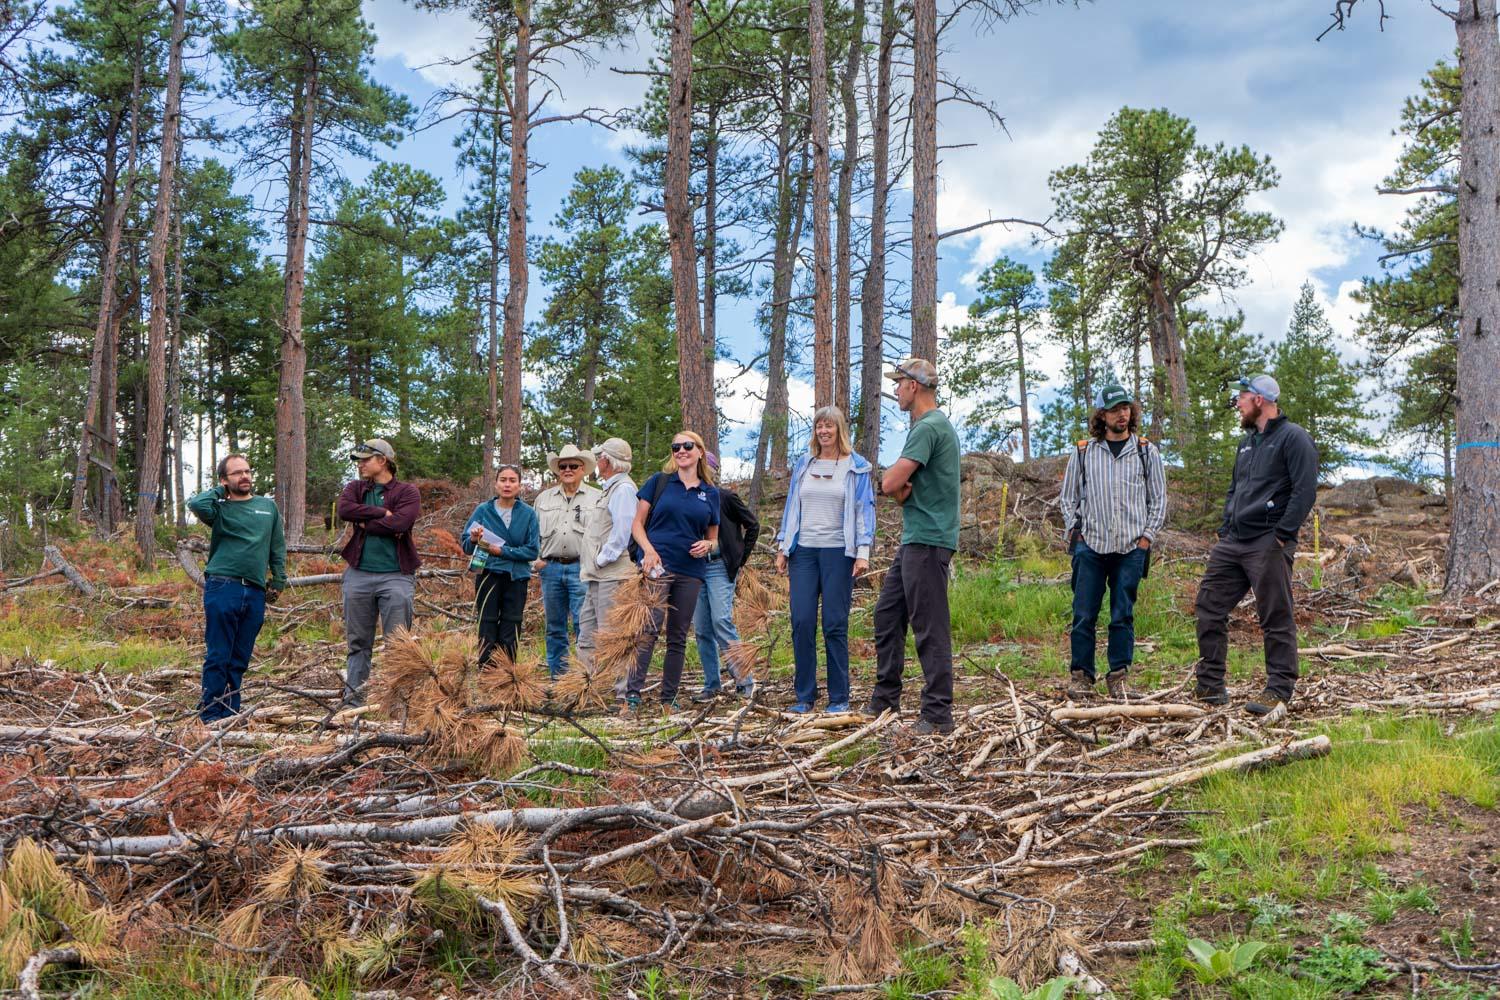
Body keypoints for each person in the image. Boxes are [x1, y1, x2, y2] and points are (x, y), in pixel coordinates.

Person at [1193, 373, 1319, 716]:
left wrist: (1281, 535)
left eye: (1242, 397)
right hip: (1233, 540)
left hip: (1268, 541)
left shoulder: (1294, 439)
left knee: (1275, 615)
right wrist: (1225, 526)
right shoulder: (1247, 443)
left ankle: (1278, 689)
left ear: (1259, 400)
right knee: (1209, 606)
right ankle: (1210, 684)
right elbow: (1236, 488)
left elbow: (1304, 491)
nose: (1238, 403)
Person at [866, 358, 962, 735]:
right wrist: (898, 485)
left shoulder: (928, 427)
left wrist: (890, 482)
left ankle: (938, 715)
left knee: (929, 627)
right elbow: (904, 491)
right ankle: (885, 701)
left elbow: (892, 485)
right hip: (915, 540)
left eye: (899, 384)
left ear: (915, 386)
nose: (896, 391)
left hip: (928, 540)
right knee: (887, 616)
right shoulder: (932, 427)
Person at [1057, 385, 1167, 701]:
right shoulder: (1083, 452)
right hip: (1090, 546)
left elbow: (1158, 499)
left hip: (1131, 548)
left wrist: (1147, 538)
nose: (1122, 414)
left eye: (1126, 408)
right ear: (1102, 415)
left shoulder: (1147, 452)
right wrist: (1075, 534)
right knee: (1083, 615)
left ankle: (1118, 677)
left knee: (1122, 615)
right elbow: (1068, 498)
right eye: (1115, 408)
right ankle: (1081, 677)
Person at [775, 406, 876, 714]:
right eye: (819, 426)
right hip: (804, 551)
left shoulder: (856, 466)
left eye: (829, 426)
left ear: (840, 430)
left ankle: (839, 697)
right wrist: (783, 546)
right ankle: (804, 696)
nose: (824, 431)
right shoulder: (804, 464)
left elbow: (864, 510)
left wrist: (862, 552)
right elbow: (792, 506)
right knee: (802, 621)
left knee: (834, 623)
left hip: (838, 553)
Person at [623, 431, 720, 713]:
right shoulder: (660, 482)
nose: (681, 450)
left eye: (687, 446)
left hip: (691, 570)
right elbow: (637, 525)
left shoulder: (710, 493)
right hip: (657, 566)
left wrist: (708, 545)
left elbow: (714, 538)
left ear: (700, 451)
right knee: (648, 629)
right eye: (675, 446)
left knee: (677, 635)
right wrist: (649, 551)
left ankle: (669, 698)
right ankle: (632, 695)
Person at [187, 455, 287, 723]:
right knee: (219, 654)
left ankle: (230, 713)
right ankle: (210, 715)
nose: (245, 476)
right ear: (224, 480)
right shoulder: (218, 508)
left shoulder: (268, 507)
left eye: (247, 471)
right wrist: (222, 491)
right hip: (223, 586)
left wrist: (278, 580)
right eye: (236, 473)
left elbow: (277, 547)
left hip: (255, 591)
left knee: (240, 657)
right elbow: (196, 503)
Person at [336, 439, 422, 706]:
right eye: (359, 460)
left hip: (396, 575)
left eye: (365, 459)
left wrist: (365, 522)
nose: (360, 464)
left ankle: (397, 704)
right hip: (358, 574)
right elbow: (344, 510)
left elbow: (402, 522)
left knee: (398, 643)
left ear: (382, 461)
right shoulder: (355, 488)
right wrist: (381, 514)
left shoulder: (408, 492)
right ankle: (354, 702)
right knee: (358, 642)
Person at [690, 452, 760, 702]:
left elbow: (753, 525)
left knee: (721, 620)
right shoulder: (688, 499)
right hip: (696, 568)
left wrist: (739, 558)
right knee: (701, 628)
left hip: (720, 566)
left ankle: (745, 681)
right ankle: (712, 685)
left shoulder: (725, 497)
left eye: (704, 469)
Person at [532, 444, 600, 678]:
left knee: (585, 626)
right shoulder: (543, 499)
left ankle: (585, 678)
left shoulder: (597, 497)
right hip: (550, 569)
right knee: (555, 627)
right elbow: (532, 534)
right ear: (557, 470)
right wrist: (536, 560)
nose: (568, 470)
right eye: (563, 466)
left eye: (573, 466)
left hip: (582, 568)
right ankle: (558, 679)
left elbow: (604, 533)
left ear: (583, 469)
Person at [462, 465, 540, 665]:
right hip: (488, 574)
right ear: (495, 484)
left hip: (516, 578)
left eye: (512, 480)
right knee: (486, 624)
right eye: (503, 480)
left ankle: (506, 674)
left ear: (519, 486)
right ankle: (486, 673)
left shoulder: (528, 514)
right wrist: (472, 539)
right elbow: (466, 546)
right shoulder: (483, 510)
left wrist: (502, 552)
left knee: (511, 625)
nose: (507, 484)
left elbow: (532, 550)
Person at [578, 438, 639, 669]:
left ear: (607, 461)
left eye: (599, 456)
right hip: (598, 576)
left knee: (613, 635)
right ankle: (588, 688)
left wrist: (602, 559)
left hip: (612, 576)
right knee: (588, 633)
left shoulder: (623, 490)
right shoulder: (610, 488)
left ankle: (619, 694)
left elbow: (623, 531)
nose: (596, 461)